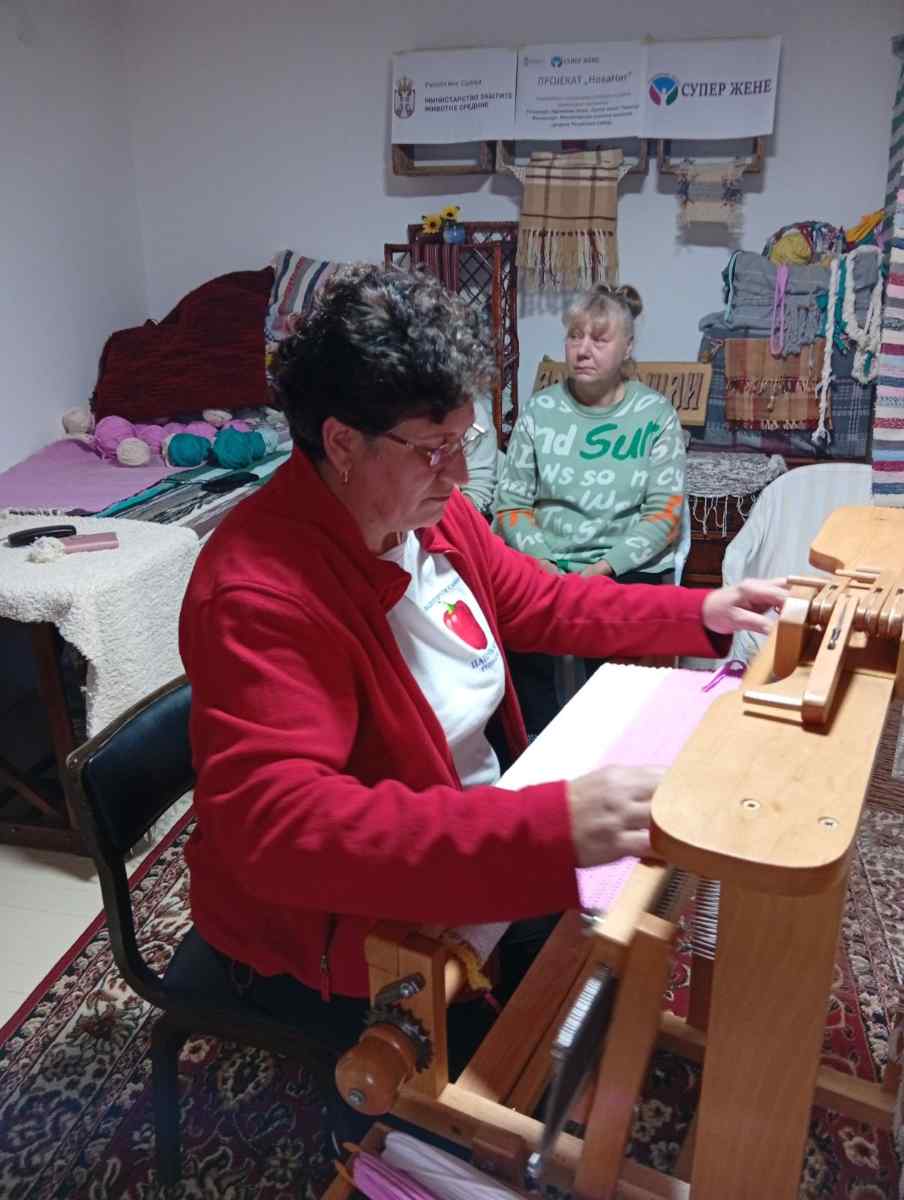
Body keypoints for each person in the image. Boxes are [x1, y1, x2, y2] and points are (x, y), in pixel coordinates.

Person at [178, 264, 785, 1093]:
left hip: (455, 829)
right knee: (522, 1081)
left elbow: (538, 599)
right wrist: (550, 827)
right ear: (342, 442)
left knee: (591, 969)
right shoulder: (259, 593)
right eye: (435, 450)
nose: (460, 476)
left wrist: (703, 612)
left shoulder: (430, 514)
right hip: (333, 919)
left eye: (462, 443)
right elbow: (285, 829)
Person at [494, 283, 686, 733]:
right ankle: (535, 746)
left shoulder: (655, 415)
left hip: (621, 569)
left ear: (627, 348)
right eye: (574, 336)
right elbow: (511, 505)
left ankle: (613, 744)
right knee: (517, 639)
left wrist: (602, 569)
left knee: (617, 689)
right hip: (544, 565)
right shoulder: (539, 412)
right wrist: (543, 563)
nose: (582, 350)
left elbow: (664, 516)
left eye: (599, 339)